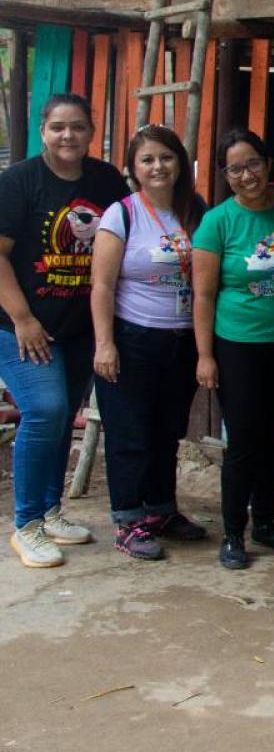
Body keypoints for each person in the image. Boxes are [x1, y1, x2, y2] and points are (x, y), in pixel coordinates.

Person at [0, 93, 128, 567]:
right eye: (58, 127)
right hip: (20, 326)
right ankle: (26, 524)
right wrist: (22, 318)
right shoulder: (18, 182)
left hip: (77, 327)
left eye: (77, 127)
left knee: (61, 414)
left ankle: (51, 510)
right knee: (46, 409)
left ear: (91, 130)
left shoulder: (105, 180)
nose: (67, 136)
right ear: (43, 130)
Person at [91, 125, 208, 560]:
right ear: (134, 169)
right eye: (147, 160)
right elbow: (101, 285)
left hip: (181, 341)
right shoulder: (121, 215)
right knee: (130, 433)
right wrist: (105, 344)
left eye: (166, 157)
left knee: (167, 431)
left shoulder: (194, 210)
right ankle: (127, 519)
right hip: (132, 337)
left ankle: (161, 510)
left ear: (180, 163)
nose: (158, 166)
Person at [192, 128, 274, 570]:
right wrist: (205, 355)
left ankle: (265, 522)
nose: (246, 175)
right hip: (237, 344)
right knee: (242, 441)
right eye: (235, 168)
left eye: (253, 163)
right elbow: (202, 295)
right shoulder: (217, 222)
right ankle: (234, 532)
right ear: (225, 175)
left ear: (268, 162)